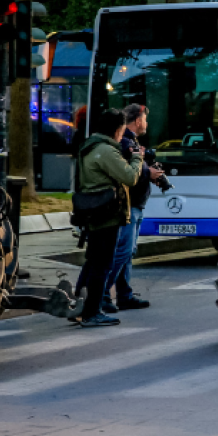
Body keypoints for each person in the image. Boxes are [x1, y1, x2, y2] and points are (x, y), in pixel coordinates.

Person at [73, 109, 144, 328]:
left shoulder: (90, 147)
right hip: (107, 214)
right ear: (116, 129)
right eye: (122, 130)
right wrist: (136, 158)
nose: (122, 135)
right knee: (102, 264)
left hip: (93, 211)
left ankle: (85, 307)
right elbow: (130, 177)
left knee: (95, 262)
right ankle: (92, 311)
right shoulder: (105, 151)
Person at [103, 104, 165, 313]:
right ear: (138, 121)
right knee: (123, 251)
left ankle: (124, 295)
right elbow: (128, 173)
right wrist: (149, 174)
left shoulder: (131, 141)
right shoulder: (126, 142)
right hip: (129, 205)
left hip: (135, 204)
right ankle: (102, 293)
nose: (146, 124)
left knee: (126, 253)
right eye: (145, 120)